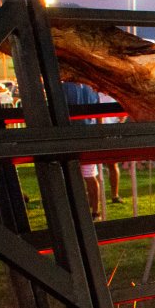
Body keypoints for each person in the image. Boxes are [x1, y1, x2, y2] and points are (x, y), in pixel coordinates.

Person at [62, 81, 102, 218]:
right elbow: (98, 113)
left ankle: (90, 209)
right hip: (89, 137)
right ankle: (94, 209)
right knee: (90, 175)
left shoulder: (65, 87)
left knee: (81, 176)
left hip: (72, 137)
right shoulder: (91, 87)